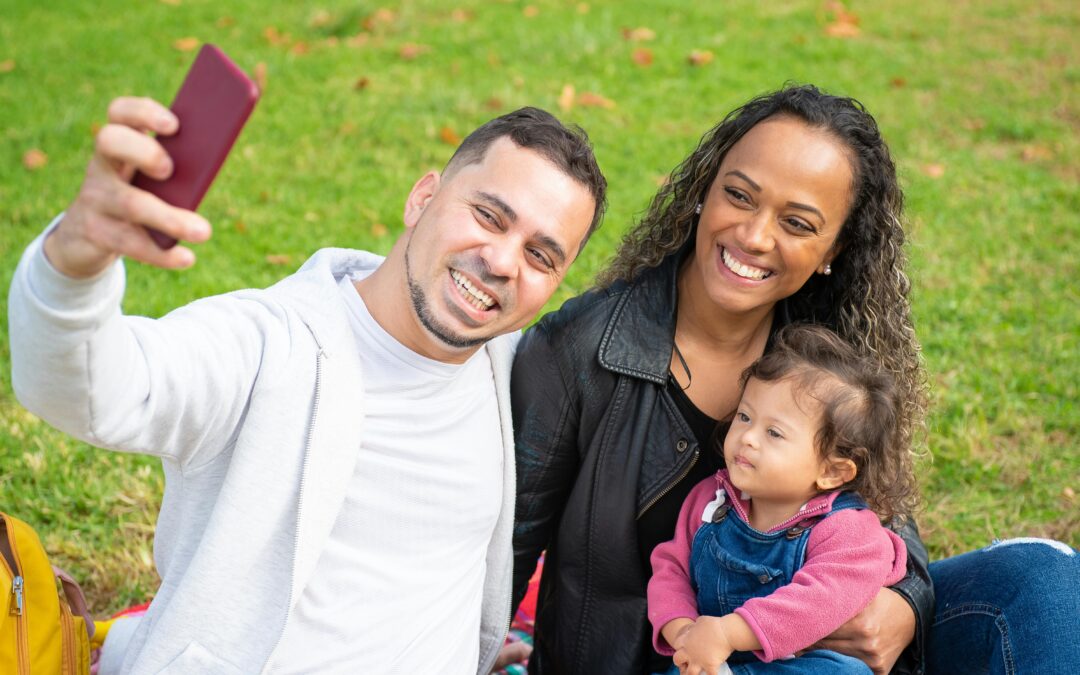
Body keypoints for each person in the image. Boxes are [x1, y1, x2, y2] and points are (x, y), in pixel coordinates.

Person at [8, 98, 606, 674]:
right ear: (423, 198)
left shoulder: (517, 371)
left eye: (541, 256)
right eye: (489, 216)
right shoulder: (268, 345)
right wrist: (73, 267)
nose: (503, 261)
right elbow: (89, 390)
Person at [509, 83, 1080, 675]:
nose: (755, 237)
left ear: (835, 249)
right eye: (738, 195)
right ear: (704, 190)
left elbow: (882, 512)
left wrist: (907, 605)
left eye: (798, 223)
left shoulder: (825, 353)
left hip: (812, 655)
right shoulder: (580, 348)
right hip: (659, 662)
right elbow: (505, 550)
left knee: (1042, 578)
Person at [648, 324, 912, 675]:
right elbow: (671, 570)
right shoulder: (712, 502)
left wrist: (729, 632)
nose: (747, 438)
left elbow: (819, 600)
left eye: (774, 433)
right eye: (744, 417)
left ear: (833, 472)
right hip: (708, 661)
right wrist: (684, 633)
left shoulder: (850, 531)